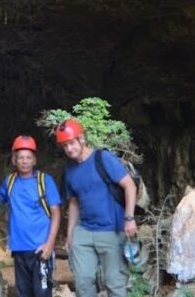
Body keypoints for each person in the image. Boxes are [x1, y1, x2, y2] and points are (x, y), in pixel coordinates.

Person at [56, 118, 137, 297]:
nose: (69, 149)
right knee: (83, 283)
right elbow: (74, 202)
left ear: (81, 139)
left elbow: (129, 185)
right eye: (65, 146)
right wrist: (71, 235)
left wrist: (129, 218)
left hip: (111, 231)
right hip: (84, 231)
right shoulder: (70, 169)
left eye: (71, 143)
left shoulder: (103, 158)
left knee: (114, 283)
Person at [0, 135, 62, 297]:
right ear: (14, 160)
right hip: (19, 249)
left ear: (34, 160)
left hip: (40, 249)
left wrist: (49, 244)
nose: (24, 161)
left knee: (41, 293)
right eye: (20, 157)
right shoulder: (9, 182)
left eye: (28, 157)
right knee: (23, 294)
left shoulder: (44, 181)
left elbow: (56, 213)